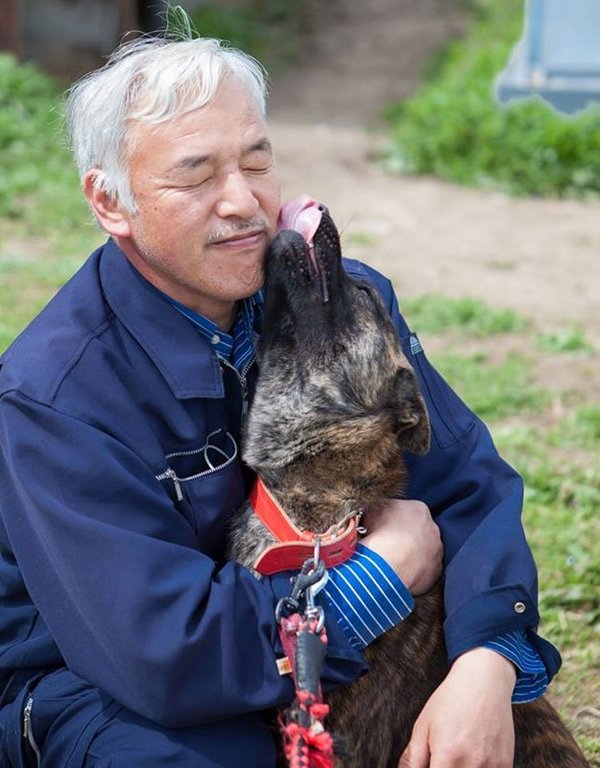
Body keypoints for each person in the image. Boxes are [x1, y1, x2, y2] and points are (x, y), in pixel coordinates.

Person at [0, 32, 561, 768]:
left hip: (298, 639)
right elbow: (160, 655)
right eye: (196, 175)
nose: (243, 202)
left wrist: (488, 662)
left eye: (256, 161)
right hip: (102, 682)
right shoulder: (52, 395)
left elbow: (468, 484)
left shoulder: (332, 301)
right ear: (111, 202)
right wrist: (378, 581)